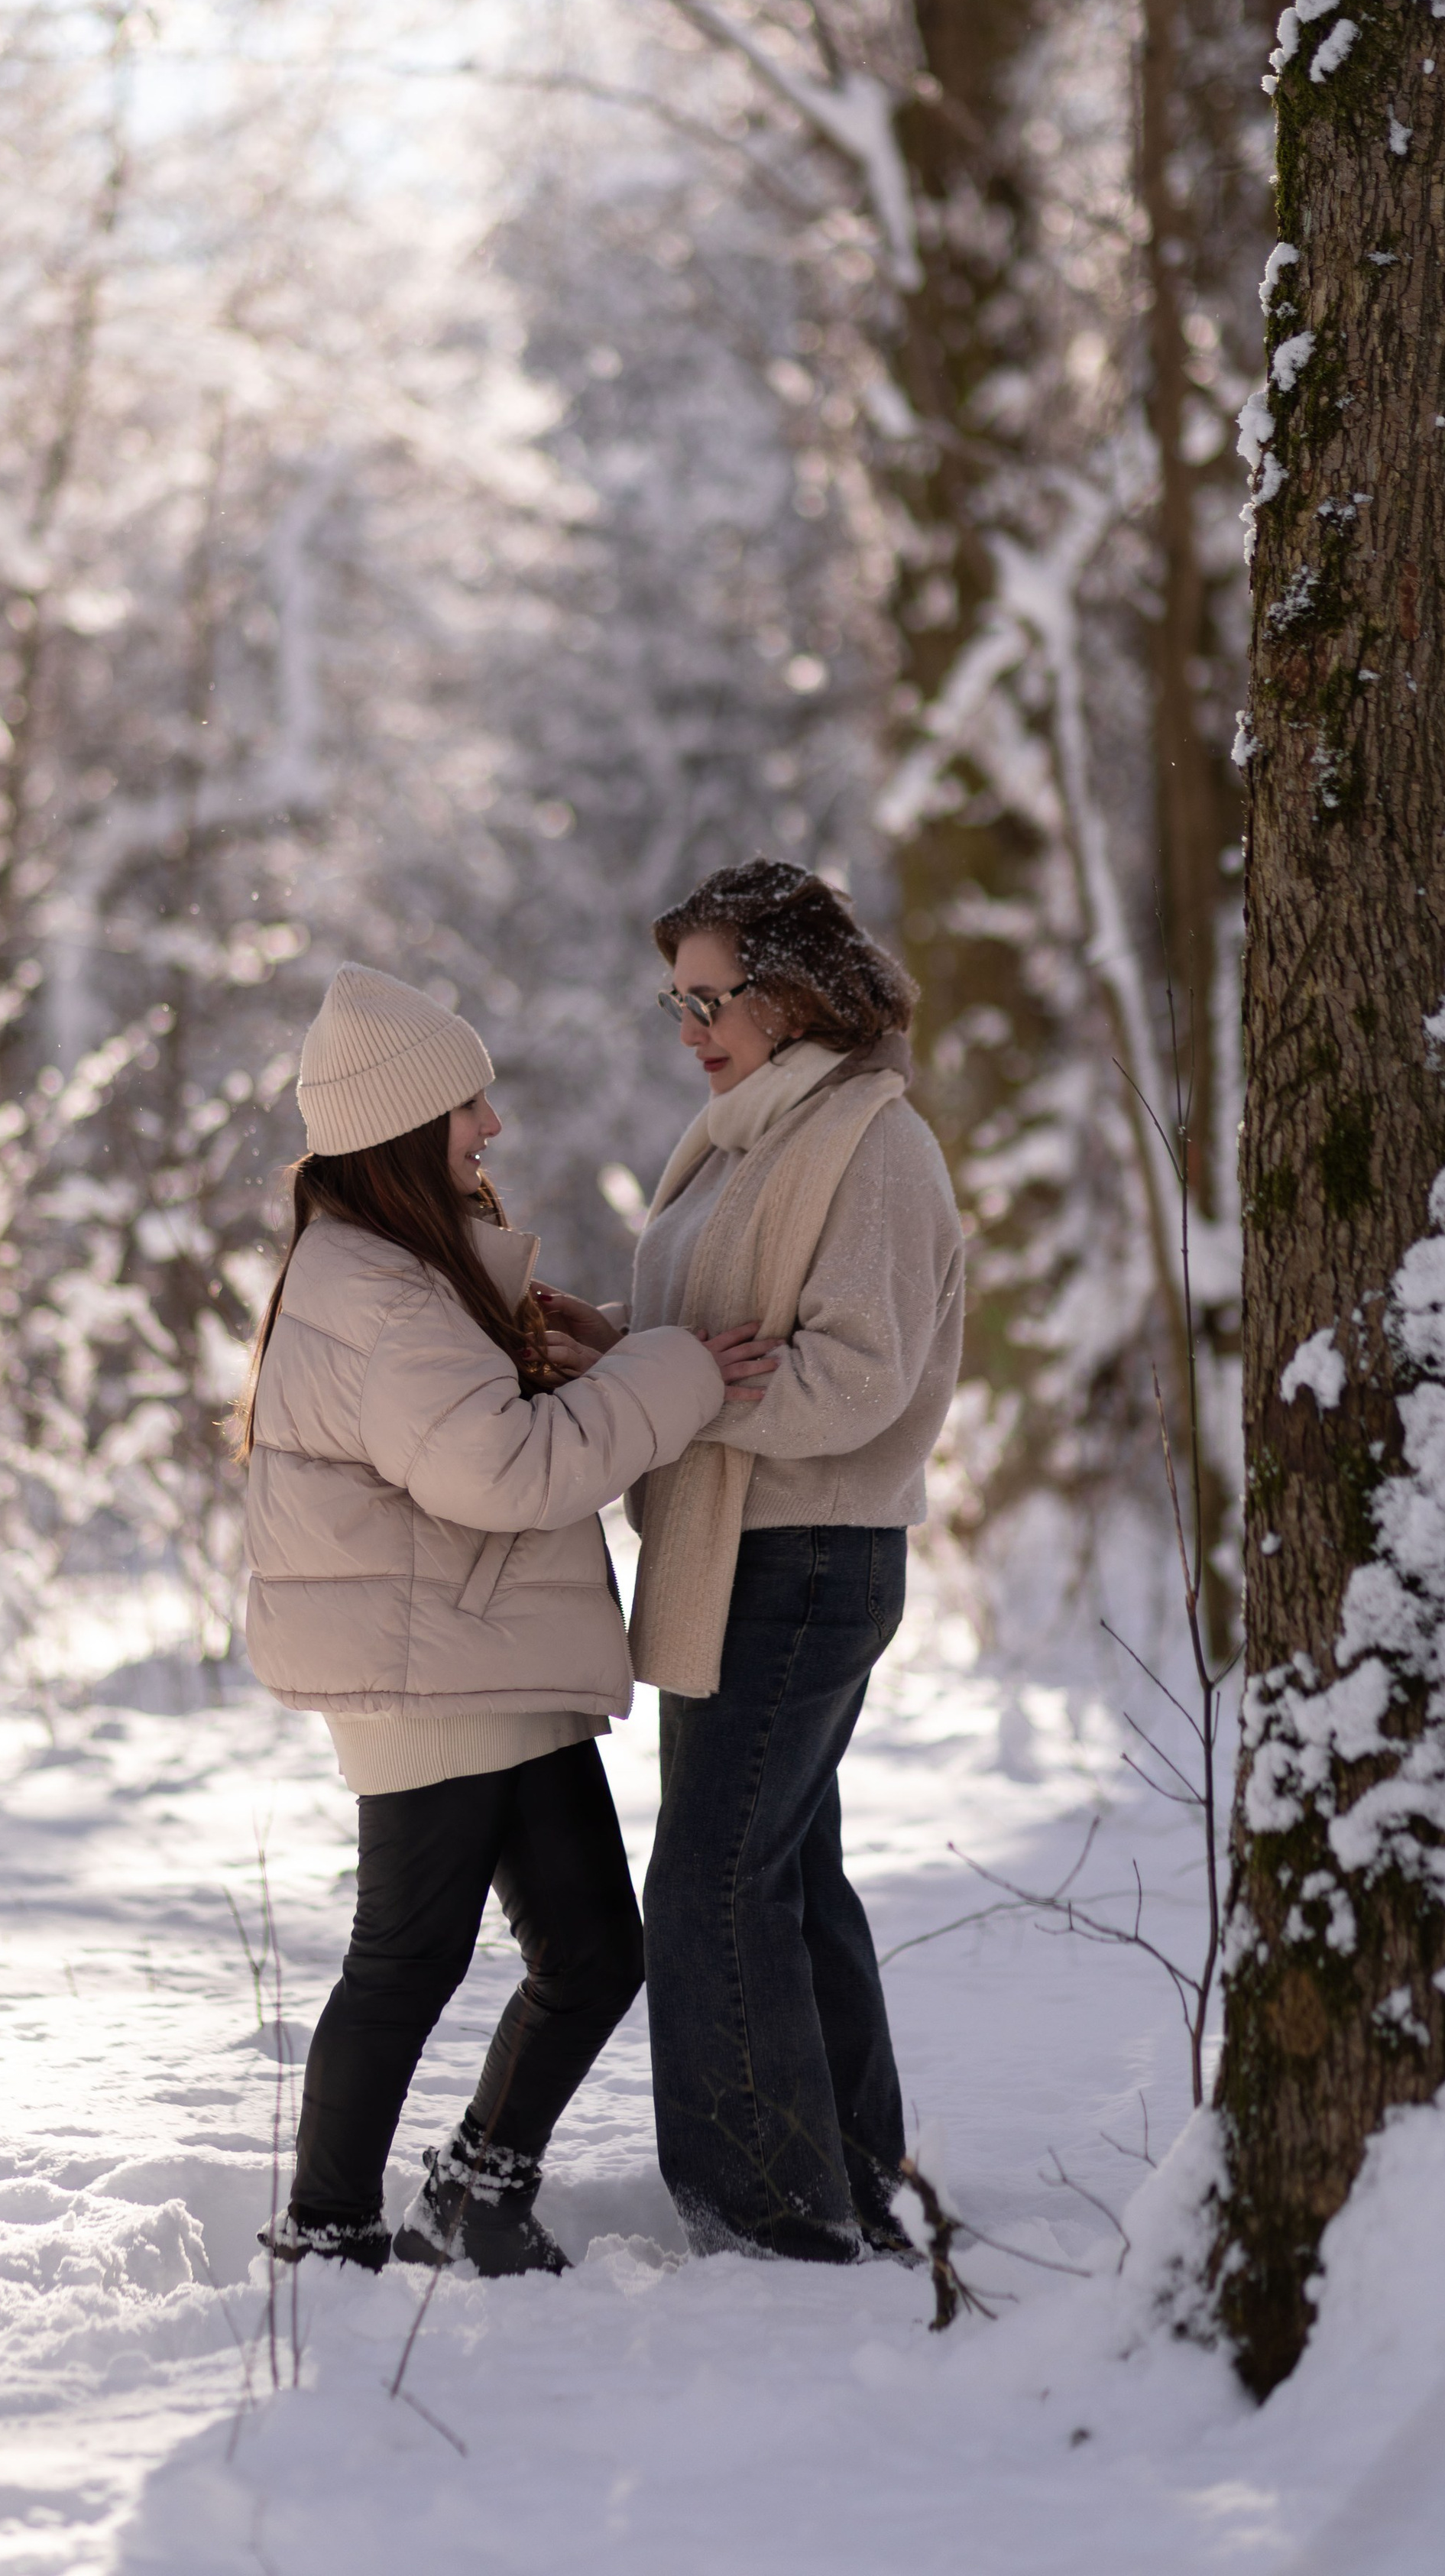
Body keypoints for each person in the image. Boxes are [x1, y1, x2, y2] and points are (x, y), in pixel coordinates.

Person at [234, 962, 776, 2278]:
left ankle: (477, 2190)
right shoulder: (380, 1292)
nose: (492, 1130)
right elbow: (505, 1470)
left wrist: (581, 1353)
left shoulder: (406, 1271)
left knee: (592, 1951)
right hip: (432, 1677)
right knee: (408, 1961)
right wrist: (673, 1373)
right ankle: (324, 2235)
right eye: (469, 1108)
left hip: (481, 1654)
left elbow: (486, 1428)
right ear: (403, 1134)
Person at [534, 863, 964, 2263]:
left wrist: (674, 1387)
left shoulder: (871, 1145)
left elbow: (855, 1379)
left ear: (791, 993)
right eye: (678, 1001)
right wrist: (610, 1346)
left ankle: (770, 2210)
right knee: (782, 1873)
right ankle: (857, 2177)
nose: (688, 1028)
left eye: (711, 997)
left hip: (809, 1556)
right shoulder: (748, 1137)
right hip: (744, 1554)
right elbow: (712, 1335)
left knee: (711, 1881)